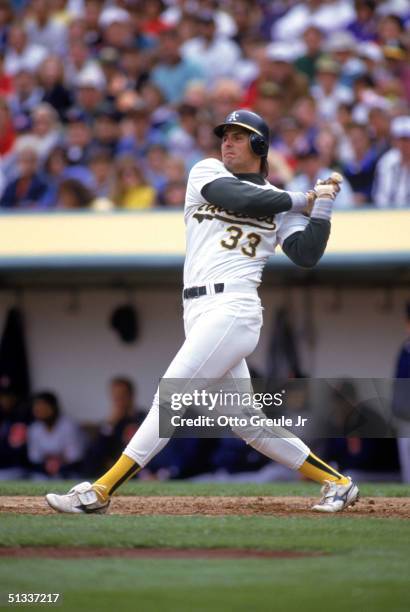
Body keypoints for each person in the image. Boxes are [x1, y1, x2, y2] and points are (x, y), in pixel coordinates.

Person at [46, 109, 359, 514]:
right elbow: (235, 196)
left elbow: (306, 254)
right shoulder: (207, 171)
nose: (227, 141)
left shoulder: (280, 208)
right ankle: (338, 482)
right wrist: (303, 197)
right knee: (248, 423)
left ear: (260, 147)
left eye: (239, 136)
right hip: (196, 308)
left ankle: (99, 492)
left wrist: (323, 207)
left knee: (170, 397)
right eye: (225, 134)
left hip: (234, 306)